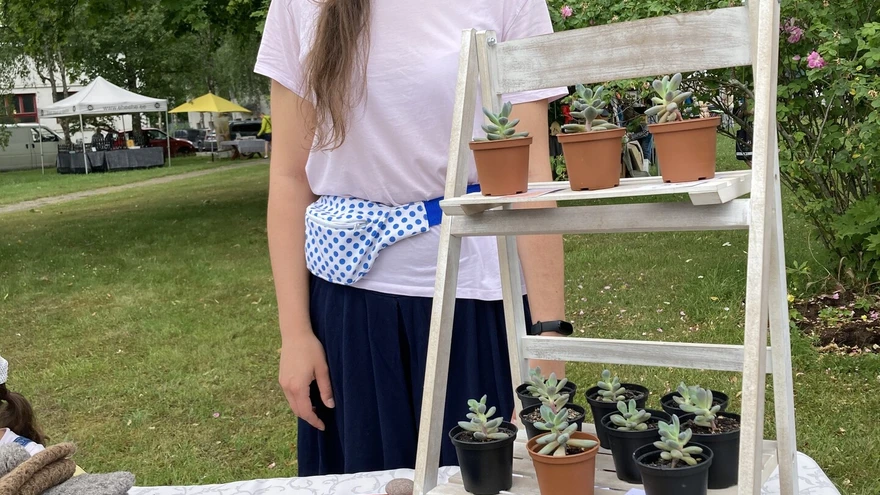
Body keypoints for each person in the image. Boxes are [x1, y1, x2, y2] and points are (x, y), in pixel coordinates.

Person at [255, 0, 570, 476]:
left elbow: (530, 175)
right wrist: (295, 334)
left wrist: (548, 344)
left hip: (477, 305)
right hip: (348, 319)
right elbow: (290, 179)